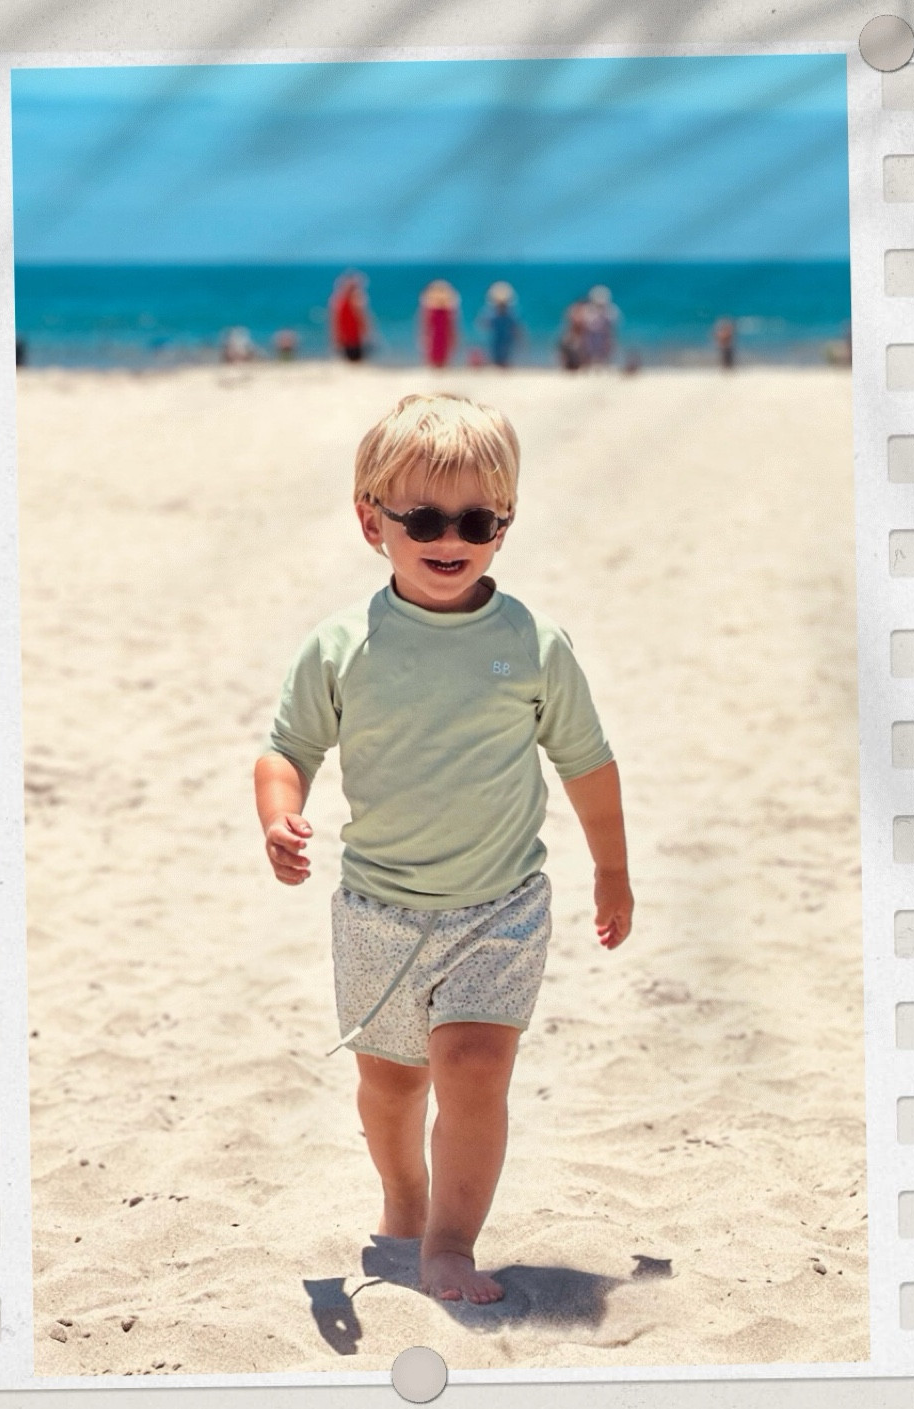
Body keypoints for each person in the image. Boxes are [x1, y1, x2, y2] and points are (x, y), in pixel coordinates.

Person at [254, 394, 633, 1306]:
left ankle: (452, 1244)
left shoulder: (533, 645)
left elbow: (587, 761)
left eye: (477, 519)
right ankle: (405, 1198)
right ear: (370, 521)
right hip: (378, 908)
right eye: (423, 517)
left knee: (471, 1066)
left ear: (506, 522)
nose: (449, 535)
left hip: (500, 907)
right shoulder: (343, 646)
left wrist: (612, 868)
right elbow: (287, 749)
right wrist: (279, 814)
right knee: (391, 1084)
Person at [477, 281, 520, 368]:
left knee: (505, 351)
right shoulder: (495, 313)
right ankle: (499, 363)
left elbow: (515, 325)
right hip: (498, 336)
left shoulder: (509, 313)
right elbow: (485, 322)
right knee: (497, 350)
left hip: (505, 336)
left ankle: (502, 363)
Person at [330, 272, 372, 362]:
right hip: (351, 339)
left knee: (353, 360)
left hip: (353, 339)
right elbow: (363, 321)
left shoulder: (338, 300)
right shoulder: (350, 300)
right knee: (355, 360)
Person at [419, 279, 460, 368]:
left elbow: (451, 325)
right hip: (436, 335)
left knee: (443, 351)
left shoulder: (447, 311)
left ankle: (441, 365)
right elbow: (426, 325)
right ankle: (436, 365)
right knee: (435, 351)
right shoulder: (432, 310)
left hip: (442, 335)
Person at [583, 285, 620, 367]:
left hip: (605, 336)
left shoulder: (610, 310)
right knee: (591, 352)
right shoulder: (589, 310)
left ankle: (603, 365)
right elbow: (587, 324)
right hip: (592, 336)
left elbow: (613, 323)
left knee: (605, 353)